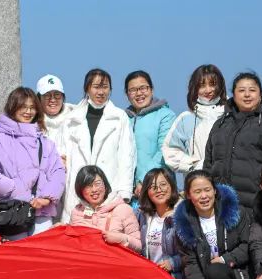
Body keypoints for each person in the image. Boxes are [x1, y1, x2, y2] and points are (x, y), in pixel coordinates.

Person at [0, 87, 67, 237]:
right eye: (23, 106)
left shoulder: (45, 143)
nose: (28, 111)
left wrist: (46, 198)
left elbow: (58, 172)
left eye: (32, 107)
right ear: (13, 107)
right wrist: (13, 189)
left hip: (42, 213)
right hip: (13, 213)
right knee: (16, 258)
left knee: (42, 255)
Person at [173, 170, 251, 279]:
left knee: (215, 271)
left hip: (232, 275)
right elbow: (191, 263)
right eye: (197, 191)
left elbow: (246, 246)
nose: (204, 196)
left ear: (215, 190)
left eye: (207, 190)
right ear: (188, 195)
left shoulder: (236, 212)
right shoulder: (184, 223)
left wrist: (224, 259)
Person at [59, 69, 136, 223]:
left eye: (105, 87)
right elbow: (61, 157)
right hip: (77, 189)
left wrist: (124, 192)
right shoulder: (71, 119)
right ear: (87, 88)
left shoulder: (119, 117)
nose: (101, 92)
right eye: (96, 87)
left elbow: (127, 156)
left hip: (109, 188)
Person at [203, 72, 262, 209]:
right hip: (220, 206)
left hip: (257, 207)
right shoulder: (220, 125)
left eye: (252, 90)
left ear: (260, 94)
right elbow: (208, 164)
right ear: (234, 95)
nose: (247, 95)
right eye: (241, 90)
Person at [162, 64, 227, 174]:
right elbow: (170, 151)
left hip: (229, 182)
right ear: (194, 88)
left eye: (212, 84)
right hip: (197, 184)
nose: (208, 90)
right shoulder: (185, 118)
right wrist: (194, 165)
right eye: (202, 86)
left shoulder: (231, 114)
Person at [124, 70, 176, 197]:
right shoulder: (123, 119)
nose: (139, 93)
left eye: (143, 88)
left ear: (151, 90)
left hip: (157, 187)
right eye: (133, 90)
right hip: (129, 193)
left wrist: (144, 181)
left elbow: (164, 151)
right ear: (127, 94)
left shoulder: (166, 115)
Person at [67, 166, 142, 252]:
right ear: (80, 190)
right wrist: (61, 229)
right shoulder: (76, 212)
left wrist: (121, 239)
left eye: (97, 183)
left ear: (105, 185)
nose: (94, 189)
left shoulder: (123, 209)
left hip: (114, 263)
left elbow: (139, 246)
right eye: (88, 186)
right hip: (84, 263)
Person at [135, 168, 184, 279]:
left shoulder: (182, 215)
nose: (159, 190)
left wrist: (172, 263)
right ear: (147, 191)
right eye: (153, 187)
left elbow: (193, 254)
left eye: (163, 184)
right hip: (149, 277)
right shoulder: (141, 216)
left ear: (171, 186)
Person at [36, 74, 75, 165]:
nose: (52, 100)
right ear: (38, 98)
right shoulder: (31, 122)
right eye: (47, 95)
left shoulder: (76, 119)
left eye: (57, 95)